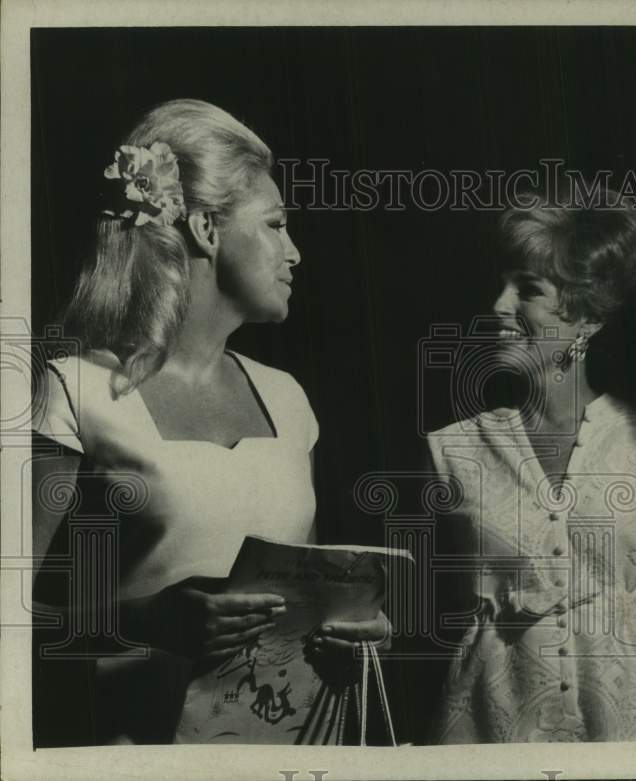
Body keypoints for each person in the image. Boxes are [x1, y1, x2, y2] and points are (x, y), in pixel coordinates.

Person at [31, 99, 388, 745]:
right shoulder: (75, 391)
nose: (295, 252)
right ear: (204, 227)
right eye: (277, 225)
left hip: (286, 744)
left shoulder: (287, 398)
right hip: (134, 751)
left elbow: (309, 590)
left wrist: (353, 628)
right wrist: (143, 620)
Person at [425, 187, 636, 743]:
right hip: (494, 735)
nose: (498, 306)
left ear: (587, 312)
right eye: (501, 285)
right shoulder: (456, 449)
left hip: (631, 734)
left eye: (528, 290)